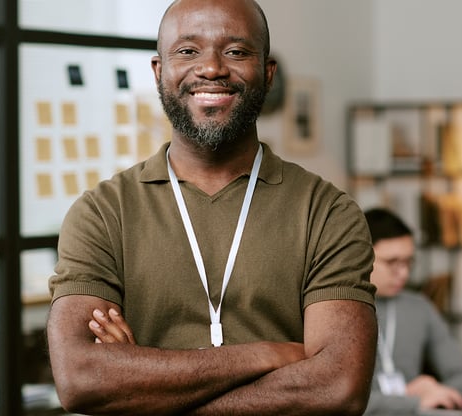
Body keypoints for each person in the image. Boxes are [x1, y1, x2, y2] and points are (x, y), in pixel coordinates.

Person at [45, 0, 378, 414]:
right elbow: (81, 379)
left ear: (268, 73)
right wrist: (266, 355)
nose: (212, 68)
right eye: (187, 51)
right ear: (158, 72)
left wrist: (145, 388)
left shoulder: (327, 213)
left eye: (236, 52)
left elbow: (338, 387)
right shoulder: (102, 213)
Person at [362, 208, 462, 415]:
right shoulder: (336, 311)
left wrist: (439, 395)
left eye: (408, 262)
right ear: (360, 257)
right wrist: (412, 400)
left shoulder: (419, 307)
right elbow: (336, 403)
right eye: (392, 262)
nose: (404, 273)